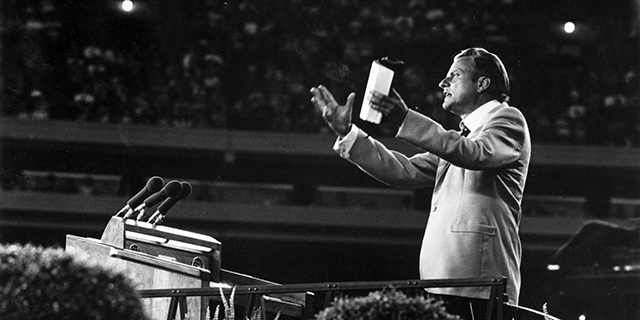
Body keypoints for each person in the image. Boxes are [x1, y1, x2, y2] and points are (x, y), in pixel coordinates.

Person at [310, 47, 530, 320]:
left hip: (477, 285)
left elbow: (475, 153)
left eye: (455, 75)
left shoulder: (508, 120)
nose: (442, 83)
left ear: (483, 83)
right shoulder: (460, 138)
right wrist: (348, 132)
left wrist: (406, 119)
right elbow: (405, 170)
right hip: (445, 282)